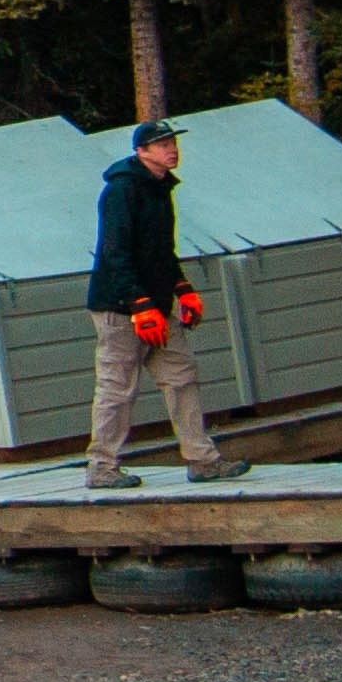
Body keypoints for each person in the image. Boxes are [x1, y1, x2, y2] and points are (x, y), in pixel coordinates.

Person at [84, 115, 244, 488]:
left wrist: (182, 288)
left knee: (182, 377)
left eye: (173, 143)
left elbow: (162, 251)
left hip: (157, 305)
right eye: (163, 145)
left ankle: (202, 460)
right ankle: (102, 467)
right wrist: (139, 304)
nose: (172, 150)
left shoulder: (161, 188)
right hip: (119, 307)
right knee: (117, 386)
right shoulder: (122, 190)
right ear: (141, 152)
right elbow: (114, 252)